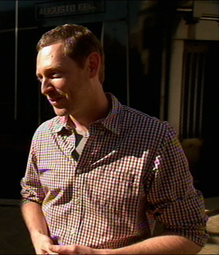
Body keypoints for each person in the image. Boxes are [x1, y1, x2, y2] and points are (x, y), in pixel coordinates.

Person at [20, 24, 209, 254]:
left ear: (91, 65)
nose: (44, 88)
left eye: (55, 74)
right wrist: (38, 236)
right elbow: (32, 196)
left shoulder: (154, 138)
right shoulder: (44, 135)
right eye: (40, 77)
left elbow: (190, 232)